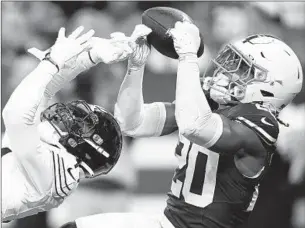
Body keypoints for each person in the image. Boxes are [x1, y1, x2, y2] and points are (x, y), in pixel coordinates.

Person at [59, 21, 303, 228]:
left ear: (270, 87)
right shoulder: (208, 104)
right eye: (230, 61)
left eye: (242, 69)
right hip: (170, 222)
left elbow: (195, 126)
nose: (226, 72)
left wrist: (187, 57)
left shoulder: (261, 122)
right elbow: (132, 122)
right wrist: (136, 66)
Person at [1, 25, 135, 223]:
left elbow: (15, 114)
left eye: (81, 126)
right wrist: (90, 58)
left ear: (88, 147)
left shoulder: (59, 171)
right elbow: (43, 93)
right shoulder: (61, 160)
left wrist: (52, 62)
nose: (70, 118)